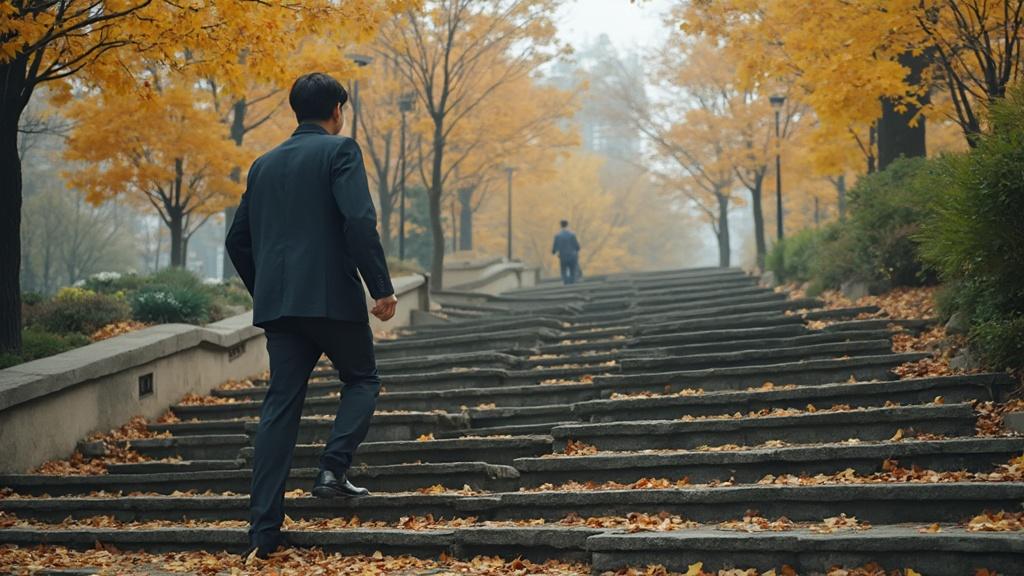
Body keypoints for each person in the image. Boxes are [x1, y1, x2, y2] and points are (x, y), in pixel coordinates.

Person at [225, 72, 398, 559]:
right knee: (362, 379)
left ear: (295, 110)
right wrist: (381, 289)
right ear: (337, 111)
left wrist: (269, 291)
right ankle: (332, 468)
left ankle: (262, 534)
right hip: (332, 301)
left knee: (279, 407)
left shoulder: (262, 164)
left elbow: (237, 240)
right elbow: (359, 220)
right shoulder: (341, 150)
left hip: (281, 309)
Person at [551, 220, 581, 285]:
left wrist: (554, 252)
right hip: (572, 256)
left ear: (561, 226)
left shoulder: (557, 236)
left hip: (563, 257)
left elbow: (554, 249)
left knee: (564, 271)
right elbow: (577, 247)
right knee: (573, 271)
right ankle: (572, 284)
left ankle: (566, 285)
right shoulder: (572, 235)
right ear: (567, 225)